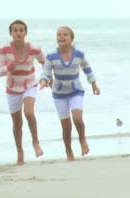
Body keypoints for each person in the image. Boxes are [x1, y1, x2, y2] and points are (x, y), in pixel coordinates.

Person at [39, 26, 101, 161]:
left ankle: (82, 140)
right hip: (59, 93)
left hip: (75, 91)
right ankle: (68, 151)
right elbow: (46, 72)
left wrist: (94, 84)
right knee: (66, 126)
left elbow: (87, 69)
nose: (61, 37)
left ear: (71, 39)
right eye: (59, 34)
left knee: (77, 118)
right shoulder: (51, 56)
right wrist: (43, 81)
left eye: (65, 34)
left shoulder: (79, 54)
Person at [0, 19, 46, 165]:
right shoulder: (4, 50)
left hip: (29, 84)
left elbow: (45, 62)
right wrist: (8, 68)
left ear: (25, 32)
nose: (18, 32)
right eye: (15, 30)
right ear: (11, 33)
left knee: (29, 112)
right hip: (12, 88)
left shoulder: (33, 48)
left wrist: (47, 77)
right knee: (17, 122)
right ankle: (19, 151)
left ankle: (36, 142)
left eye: (21, 30)